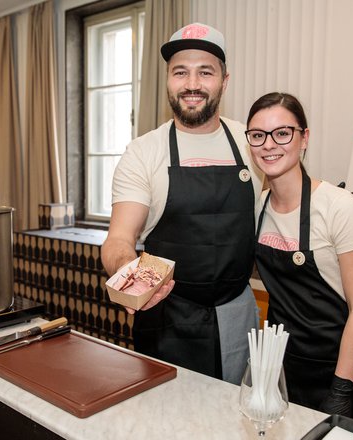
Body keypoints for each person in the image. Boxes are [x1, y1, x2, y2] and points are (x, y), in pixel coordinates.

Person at [100, 23, 263, 385]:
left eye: (205, 71)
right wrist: (130, 279)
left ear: (224, 80)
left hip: (237, 311)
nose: (192, 84)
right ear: (168, 80)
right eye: (180, 72)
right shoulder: (144, 152)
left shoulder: (251, 143)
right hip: (166, 315)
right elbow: (118, 240)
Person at [246, 92, 353, 420]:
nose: (269, 144)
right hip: (280, 368)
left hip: (338, 368)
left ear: (304, 138)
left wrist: (341, 390)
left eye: (283, 133)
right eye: (258, 135)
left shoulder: (339, 207)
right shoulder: (258, 208)